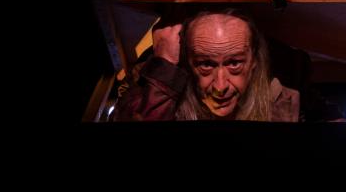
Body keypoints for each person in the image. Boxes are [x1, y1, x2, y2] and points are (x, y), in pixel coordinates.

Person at [114, 9, 300, 122]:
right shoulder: (156, 93)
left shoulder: (280, 105)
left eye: (234, 63)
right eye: (205, 65)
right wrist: (165, 66)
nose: (220, 86)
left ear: (254, 62)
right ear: (187, 65)